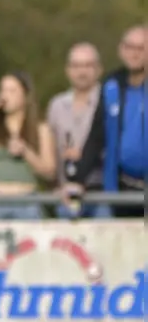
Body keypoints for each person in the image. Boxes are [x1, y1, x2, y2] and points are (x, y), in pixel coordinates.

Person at [69, 25, 146, 218]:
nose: (134, 53)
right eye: (130, 47)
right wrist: (78, 179)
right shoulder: (111, 85)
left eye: (141, 48)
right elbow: (96, 136)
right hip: (120, 189)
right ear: (121, 49)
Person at [0, 73, 56, 220]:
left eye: (12, 91)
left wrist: (26, 152)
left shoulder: (40, 128)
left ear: (25, 95)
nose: (6, 95)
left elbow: (49, 171)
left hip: (26, 202)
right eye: (3, 90)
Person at [47, 43, 105, 219]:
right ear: (68, 70)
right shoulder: (56, 105)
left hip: (101, 193)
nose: (82, 72)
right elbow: (51, 150)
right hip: (65, 196)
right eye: (76, 66)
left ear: (99, 69)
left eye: (88, 65)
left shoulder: (109, 102)